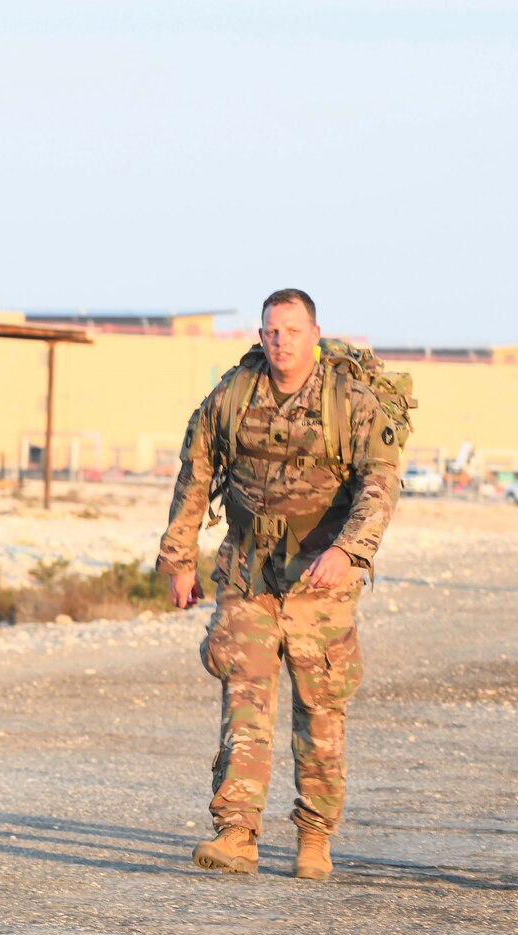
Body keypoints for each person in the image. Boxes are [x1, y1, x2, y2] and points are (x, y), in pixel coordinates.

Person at [157, 288, 404, 880]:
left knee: (320, 709)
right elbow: (195, 472)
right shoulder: (234, 395)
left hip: (321, 576)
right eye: (271, 331)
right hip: (248, 569)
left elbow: (380, 484)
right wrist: (179, 557)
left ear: (314, 335)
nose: (280, 341)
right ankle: (237, 832)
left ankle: (315, 836)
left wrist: (350, 551)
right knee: (244, 696)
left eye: (292, 331)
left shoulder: (352, 403)